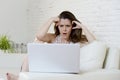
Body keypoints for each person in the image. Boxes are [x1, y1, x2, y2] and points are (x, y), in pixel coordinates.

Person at [6, 11, 96, 80]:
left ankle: (20, 78)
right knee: (36, 44)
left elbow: (95, 43)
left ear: (72, 27)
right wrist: (51, 20)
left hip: (67, 69)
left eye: (67, 26)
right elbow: (39, 36)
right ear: (57, 26)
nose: (64, 29)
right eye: (61, 26)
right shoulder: (53, 38)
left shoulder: (77, 39)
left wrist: (82, 26)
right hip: (50, 67)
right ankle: (21, 77)